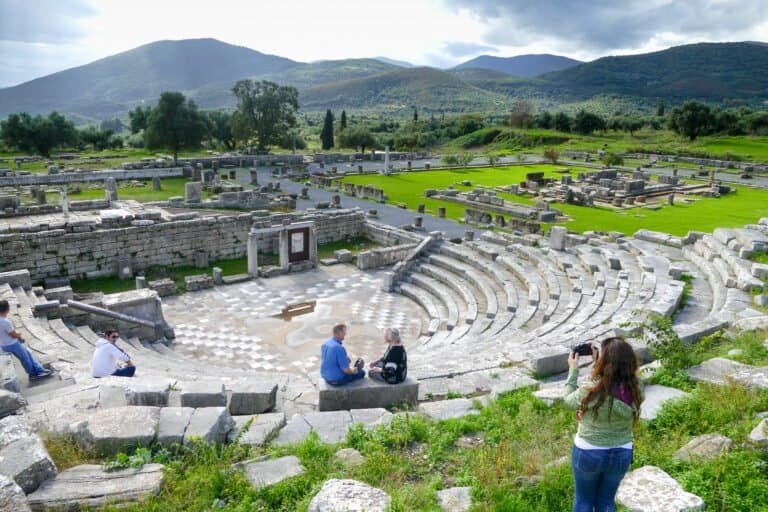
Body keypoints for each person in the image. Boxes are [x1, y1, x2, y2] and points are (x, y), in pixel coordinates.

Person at [564, 337, 644, 512]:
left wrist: (573, 370)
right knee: (606, 501)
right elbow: (614, 395)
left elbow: (568, 401)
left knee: (584, 500)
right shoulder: (637, 387)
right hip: (621, 451)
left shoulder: (592, 389)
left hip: (589, 450)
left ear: (604, 362)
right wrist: (597, 362)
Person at [0, 300, 53, 380]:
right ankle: (33, 374)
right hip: (12, 344)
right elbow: (13, 335)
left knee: (28, 353)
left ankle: (40, 370)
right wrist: (20, 336)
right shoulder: (5, 322)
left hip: (4, 344)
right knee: (25, 358)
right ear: (7, 309)